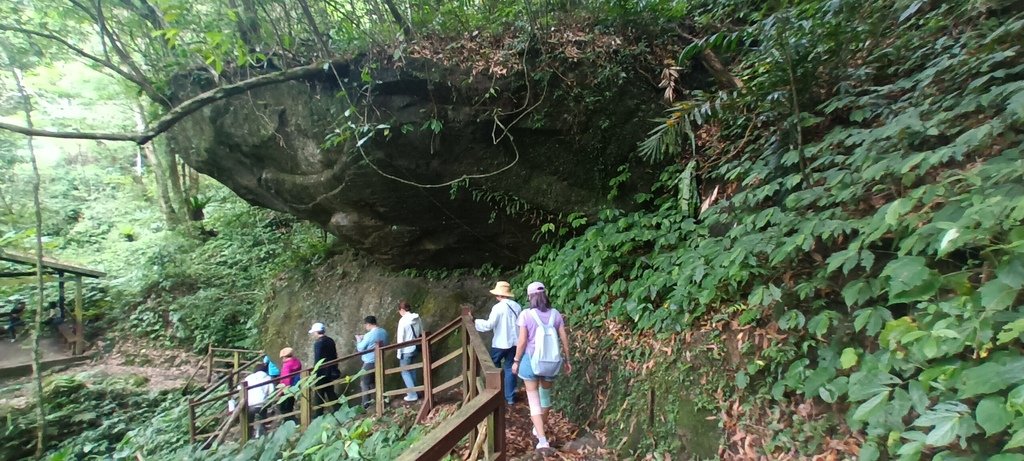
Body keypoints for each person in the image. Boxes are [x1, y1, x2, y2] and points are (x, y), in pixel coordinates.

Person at [512, 282, 571, 451]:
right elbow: (564, 339)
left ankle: (542, 439)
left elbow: (522, 341)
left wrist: (516, 360)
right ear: (545, 295)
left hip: (530, 362)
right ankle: (538, 428)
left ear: (530, 296)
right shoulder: (555, 314)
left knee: (533, 401)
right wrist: (567, 360)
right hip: (551, 363)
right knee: (545, 399)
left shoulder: (526, 315)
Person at [474, 281, 522, 405]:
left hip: (500, 343)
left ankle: (494, 393)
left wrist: (475, 321)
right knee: (510, 368)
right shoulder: (517, 306)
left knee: (492, 365)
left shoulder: (498, 307)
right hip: (515, 342)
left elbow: (490, 325)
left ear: (499, 295)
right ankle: (510, 397)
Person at [355, 315, 388, 408]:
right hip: (380, 360)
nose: (365, 327)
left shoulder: (369, 335)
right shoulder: (383, 332)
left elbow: (360, 348)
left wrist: (358, 340)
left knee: (364, 382)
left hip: (370, 362)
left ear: (368, 324)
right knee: (375, 382)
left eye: (366, 325)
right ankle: (381, 402)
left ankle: (366, 404)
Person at [309, 322, 340, 416]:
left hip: (322, 372)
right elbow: (334, 355)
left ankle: (318, 414)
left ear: (316, 332)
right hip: (331, 370)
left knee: (319, 393)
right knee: (330, 391)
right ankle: (338, 409)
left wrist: (315, 371)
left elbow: (318, 359)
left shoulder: (318, 343)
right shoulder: (330, 340)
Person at [395, 301, 424, 402]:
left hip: (406, 349)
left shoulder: (403, 321)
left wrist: (399, 353)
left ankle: (412, 394)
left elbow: (400, 338)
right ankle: (417, 391)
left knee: (405, 371)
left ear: (402, 310)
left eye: (399, 311)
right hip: (416, 347)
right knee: (412, 370)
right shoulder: (417, 318)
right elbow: (421, 332)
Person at [241, 362, 274, 438]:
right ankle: (262, 435)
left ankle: (248, 436)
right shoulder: (268, 378)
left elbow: (240, 389)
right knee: (263, 417)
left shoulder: (249, 378)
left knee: (249, 421)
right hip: (262, 404)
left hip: (249, 404)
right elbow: (271, 392)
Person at [277, 347, 302, 423]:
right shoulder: (296, 362)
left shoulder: (287, 365)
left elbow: (285, 378)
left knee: (283, 406)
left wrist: (282, 390)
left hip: (287, 387)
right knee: (290, 404)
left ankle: (288, 421)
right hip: (295, 385)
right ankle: (291, 419)